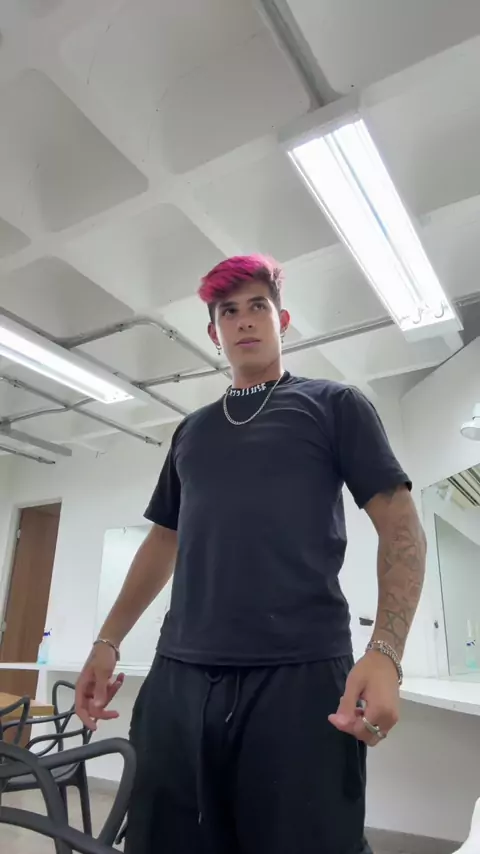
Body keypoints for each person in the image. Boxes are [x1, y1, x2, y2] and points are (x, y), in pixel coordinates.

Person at [75, 255, 426, 854]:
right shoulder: (191, 432)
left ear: (281, 320)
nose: (243, 320)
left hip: (300, 677)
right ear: (214, 333)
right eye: (228, 311)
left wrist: (386, 652)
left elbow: (400, 526)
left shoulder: (334, 405)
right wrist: (106, 642)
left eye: (257, 306)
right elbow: (163, 540)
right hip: (179, 677)